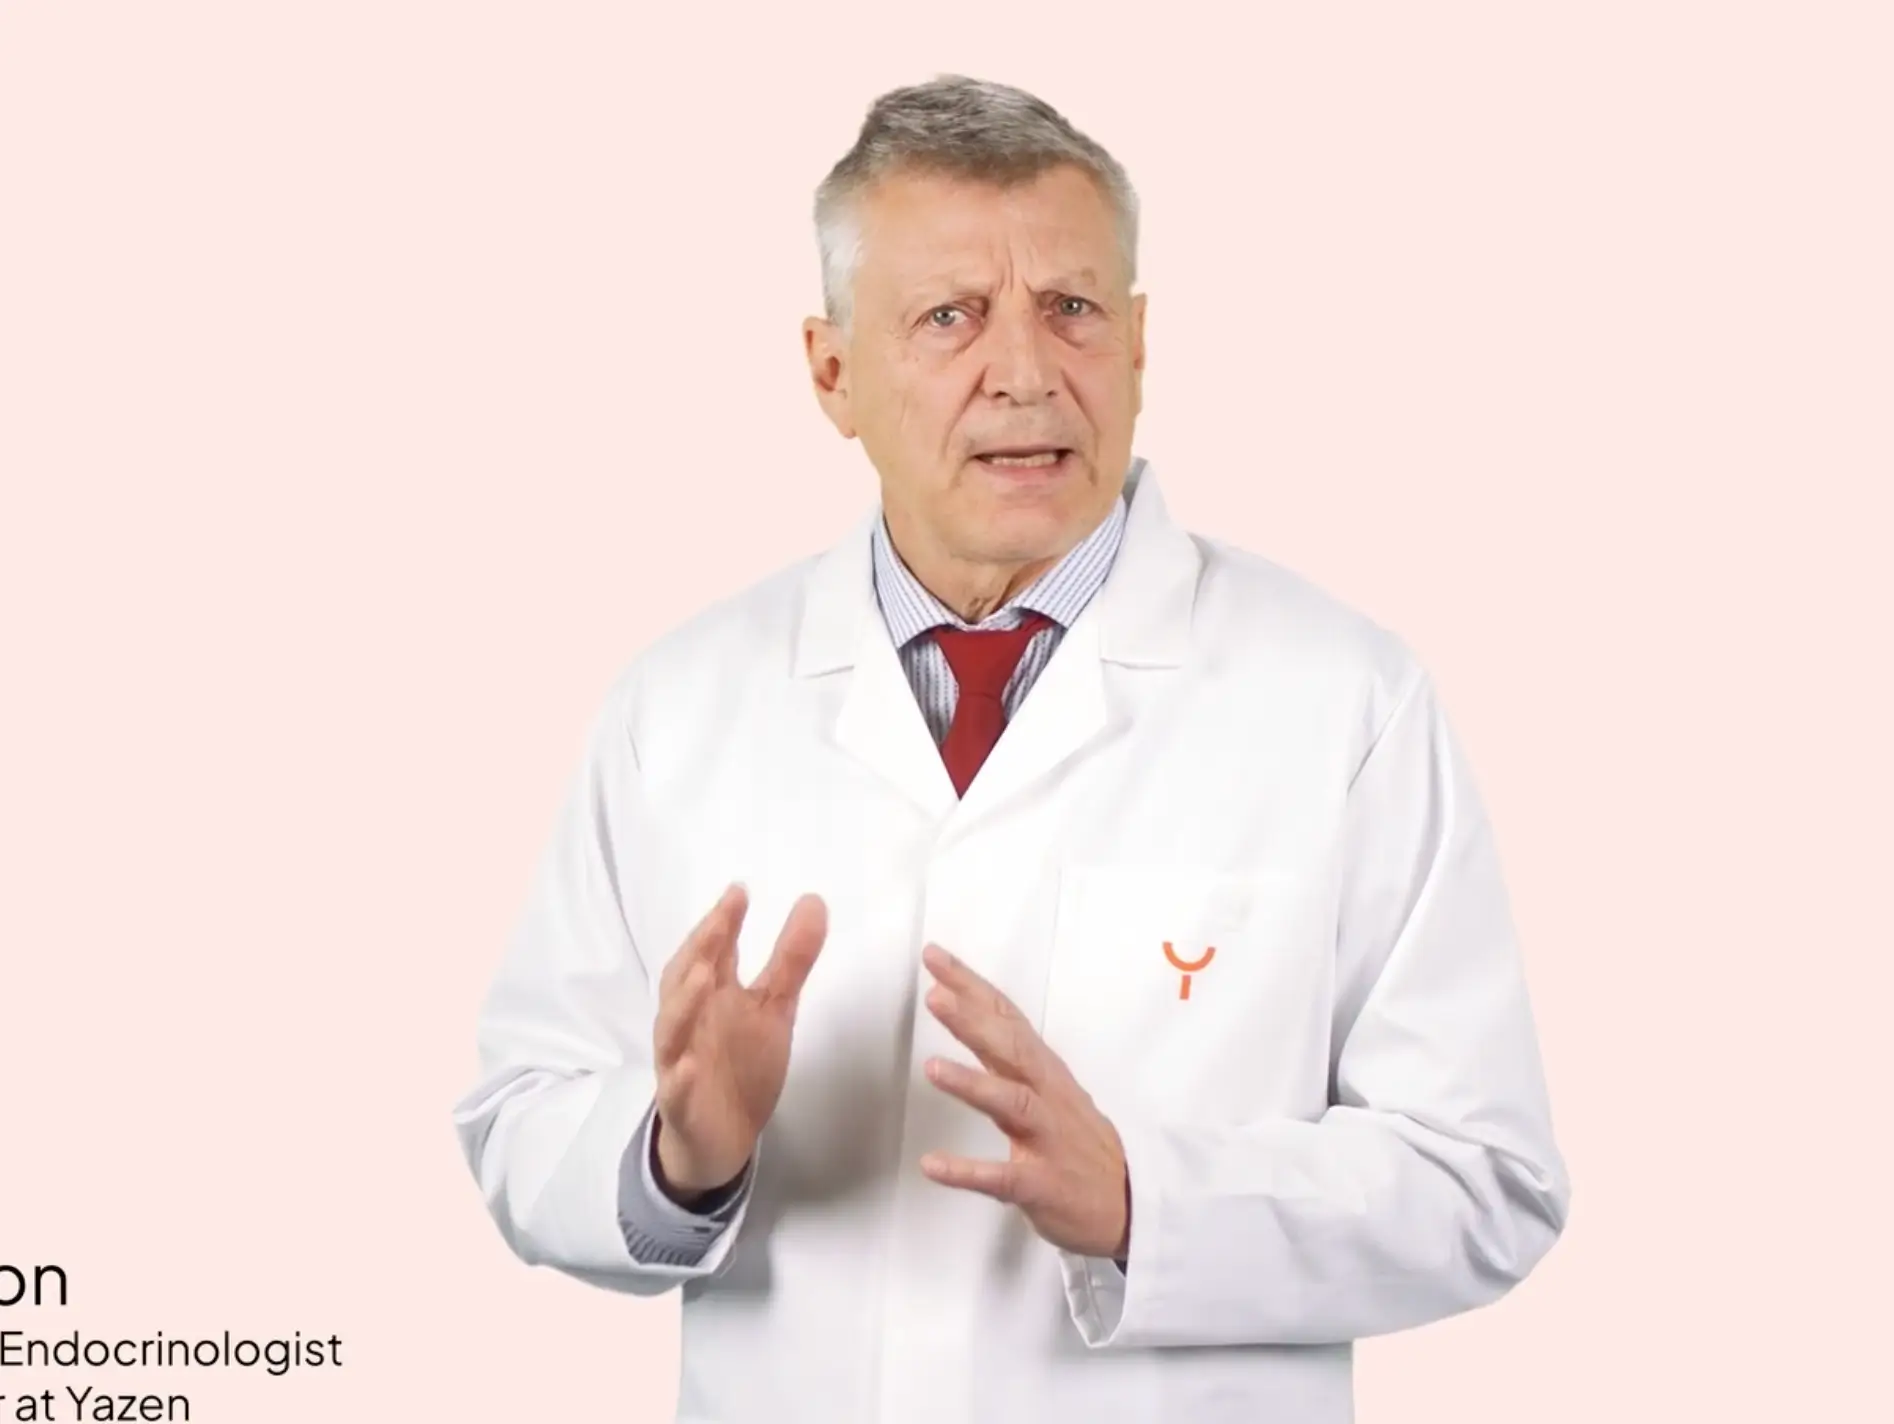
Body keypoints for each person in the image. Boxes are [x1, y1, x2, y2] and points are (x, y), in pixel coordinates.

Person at [452, 73, 1570, 1424]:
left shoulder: (1344, 700)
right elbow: (521, 1115)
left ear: (1140, 346)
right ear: (831, 373)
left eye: (1072, 309)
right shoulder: (677, 709)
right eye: (950, 316)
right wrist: (675, 1155)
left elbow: (1485, 1180)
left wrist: (1147, 1204)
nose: (1027, 372)